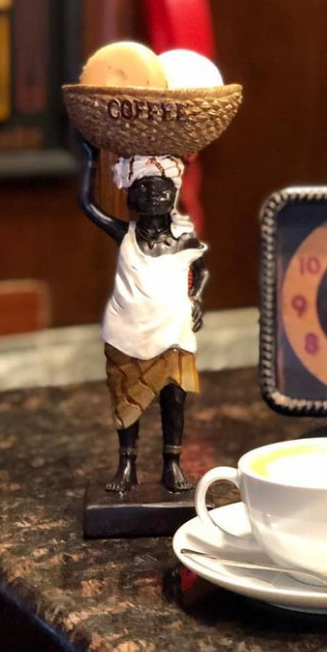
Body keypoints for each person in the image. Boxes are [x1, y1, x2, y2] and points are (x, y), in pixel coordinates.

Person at [80, 141, 208, 494]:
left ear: (173, 193)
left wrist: (196, 298)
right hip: (127, 330)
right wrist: (91, 159)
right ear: (131, 197)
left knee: (174, 396)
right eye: (144, 188)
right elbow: (87, 205)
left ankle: (172, 463)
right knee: (126, 398)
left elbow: (202, 270)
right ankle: (127, 464)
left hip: (173, 329)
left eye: (160, 187)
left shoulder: (183, 239)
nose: (153, 195)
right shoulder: (124, 234)